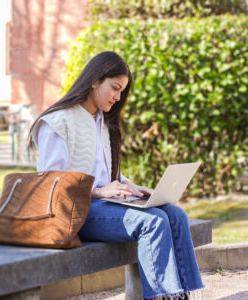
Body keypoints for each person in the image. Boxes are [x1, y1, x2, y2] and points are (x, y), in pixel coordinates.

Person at [30, 51, 204, 300]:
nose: (118, 97)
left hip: (104, 205)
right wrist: (99, 191)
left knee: (175, 214)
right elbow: (50, 182)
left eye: (122, 91)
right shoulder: (58, 121)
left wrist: (134, 188)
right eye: (115, 88)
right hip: (74, 213)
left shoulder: (102, 121)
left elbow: (109, 174)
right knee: (152, 221)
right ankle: (164, 296)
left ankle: (185, 293)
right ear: (95, 80)